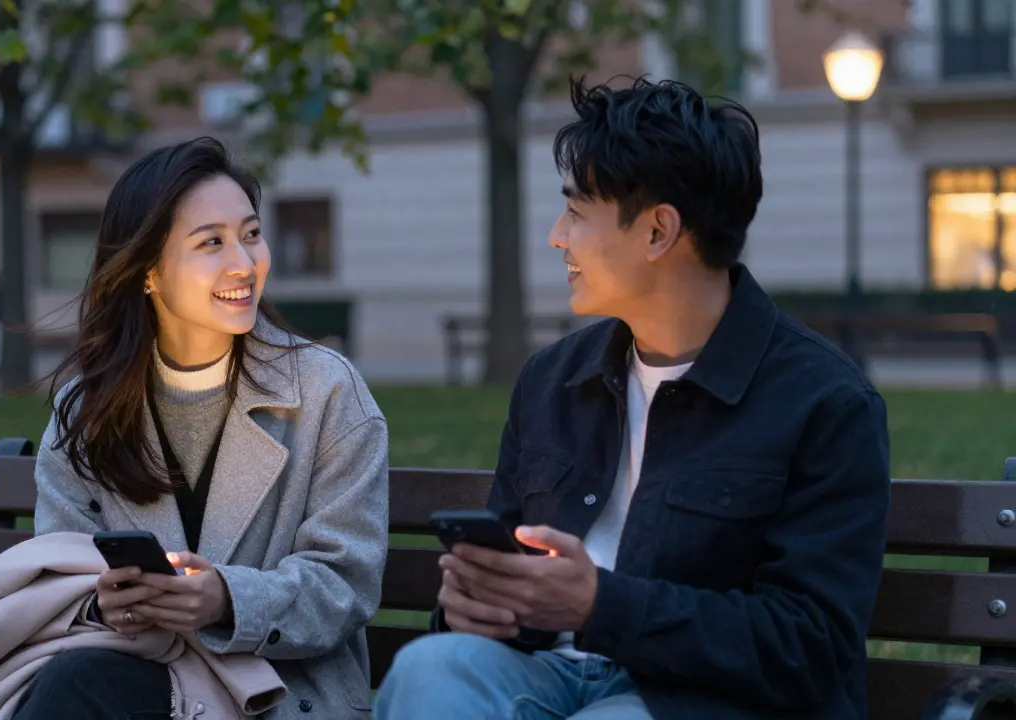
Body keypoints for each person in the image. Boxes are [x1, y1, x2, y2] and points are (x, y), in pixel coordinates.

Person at [374, 76, 891, 719]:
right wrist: (478, 604)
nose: (557, 235)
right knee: (432, 669)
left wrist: (601, 606)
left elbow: (813, 646)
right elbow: (508, 569)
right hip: (548, 674)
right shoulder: (553, 379)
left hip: (698, 701)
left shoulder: (824, 402)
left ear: (657, 233)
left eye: (577, 213)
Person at [18, 137, 390, 719]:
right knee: (80, 679)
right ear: (148, 272)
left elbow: (345, 584)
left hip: (278, 695)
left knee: (79, 688)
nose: (244, 264)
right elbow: (57, 576)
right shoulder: (88, 411)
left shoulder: (326, 390)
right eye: (211, 243)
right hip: (134, 677)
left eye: (250, 234)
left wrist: (226, 599)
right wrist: (102, 606)